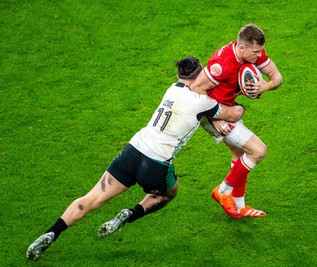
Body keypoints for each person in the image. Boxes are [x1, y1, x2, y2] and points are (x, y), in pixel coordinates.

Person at [26, 56, 244, 261]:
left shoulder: (172, 89)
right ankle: (130, 213)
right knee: (169, 193)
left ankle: (52, 233)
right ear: (200, 75)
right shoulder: (201, 102)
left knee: (91, 198)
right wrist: (241, 99)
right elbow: (233, 114)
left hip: (133, 151)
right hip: (156, 164)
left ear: (179, 75)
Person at [190, 24, 283, 219]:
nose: (259, 57)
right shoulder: (221, 65)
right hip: (213, 113)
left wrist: (266, 86)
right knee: (258, 151)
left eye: (260, 52)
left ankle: (239, 207)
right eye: (255, 53)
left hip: (228, 109)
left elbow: (277, 77)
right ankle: (223, 191)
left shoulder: (255, 52)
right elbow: (196, 89)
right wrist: (214, 119)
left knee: (240, 155)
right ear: (242, 48)